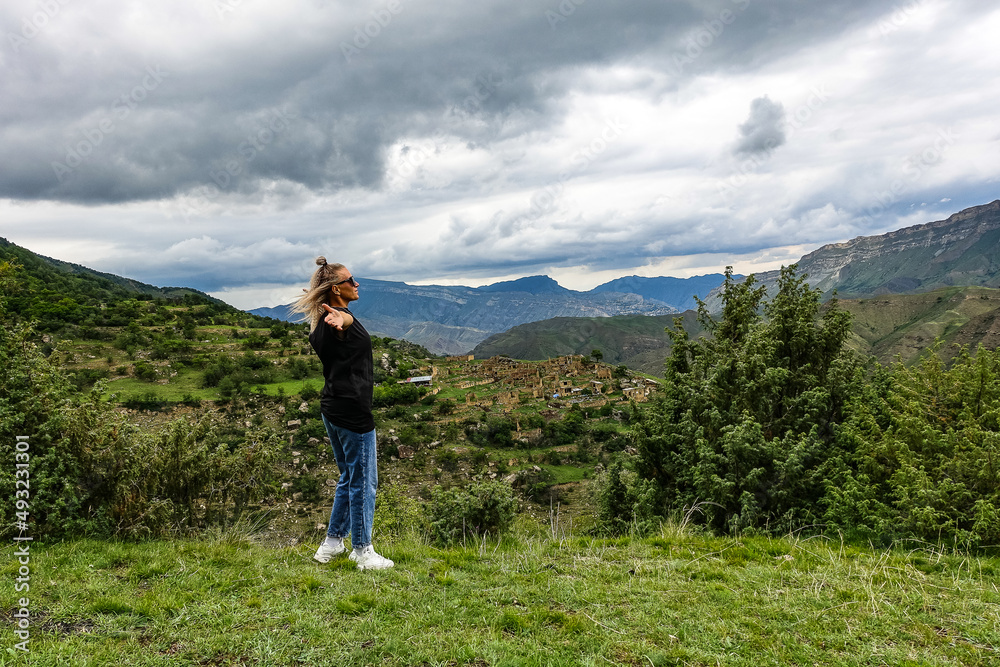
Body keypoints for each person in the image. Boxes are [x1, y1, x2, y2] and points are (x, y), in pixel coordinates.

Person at [291, 257, 394, 571]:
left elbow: (344, 324)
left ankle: (332, 543)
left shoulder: (329, 320)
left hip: (333, 407)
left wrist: (342, 320)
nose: (357, 283)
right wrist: (341, 322)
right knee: (364, 481)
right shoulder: (335, 321)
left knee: (349, 477)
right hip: (351, 411)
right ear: (337, 289)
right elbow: (343, 326)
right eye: (352, 280)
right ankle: (363, 550)